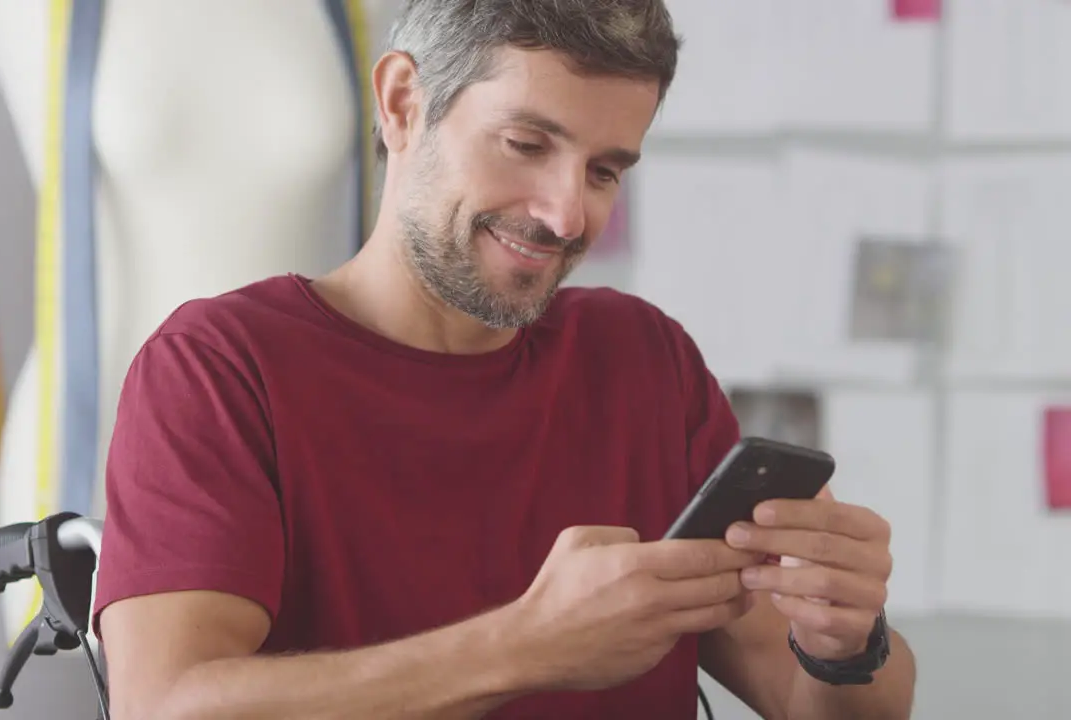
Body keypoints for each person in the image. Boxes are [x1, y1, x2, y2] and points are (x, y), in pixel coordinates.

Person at [92, 1, 918, 717]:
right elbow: (163, 706)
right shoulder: (219, 369)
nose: (565, 214)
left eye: (603, 171)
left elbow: (830, 706)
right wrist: (525, 647)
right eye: (526, 144)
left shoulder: (644, 361)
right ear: (403, 103)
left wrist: (845, 642)